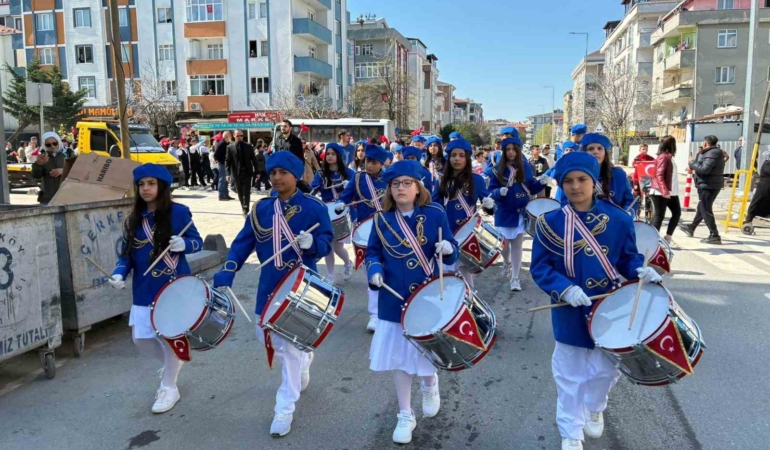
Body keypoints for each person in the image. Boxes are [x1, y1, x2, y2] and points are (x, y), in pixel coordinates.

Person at [530, 151, 661, 450]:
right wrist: (563, 289)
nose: (575, 186)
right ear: (561, 185)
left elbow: (628, 258)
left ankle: (595, 406)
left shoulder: (617, 218)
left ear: (594, 181)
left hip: (609, 307)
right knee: (569, 374)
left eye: (582, 179)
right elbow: (540, 267)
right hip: (569, 310)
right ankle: (571, 432)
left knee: (605, 372)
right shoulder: (549, 222)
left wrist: (640, 270)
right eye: (568, 181)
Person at [212, 152, 333, 438]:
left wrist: (314, 242)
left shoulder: (313, 207)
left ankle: (285, 406)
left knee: (289, 348)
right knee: (266, 337)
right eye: (273, 172)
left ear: (296, 175)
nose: (277, 178)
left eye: (283, 172)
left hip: (301, 286)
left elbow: (328, 241)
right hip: (269, 286)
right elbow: (243, 243)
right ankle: (304, 360)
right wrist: (229, 268)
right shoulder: (261, 209)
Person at [365, 159, 458, 445]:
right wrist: (375, 271)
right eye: (395, 184)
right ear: (389, 190)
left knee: (425, 352)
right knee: (399, 359)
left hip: (426, 296)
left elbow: (452, 249)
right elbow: (372, 253)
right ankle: (405, 413)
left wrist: (448, 248)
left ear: (418, 188)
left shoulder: (434, 214)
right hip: (393, 298)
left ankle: (430, 384)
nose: (401, 188)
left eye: (407, 183)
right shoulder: (381, 220)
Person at [108, 163, 203, 414]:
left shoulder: (179, 213)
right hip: (144, 287)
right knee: (140, 338)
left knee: (171, 336)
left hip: (174, 286)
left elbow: (197, 241)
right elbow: (126, 256)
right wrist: (119, 273)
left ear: (162, 187)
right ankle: (174, 362)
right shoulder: (133, 220)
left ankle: (169, 387)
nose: (145, 189)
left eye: (151, 184)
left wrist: (185, 244)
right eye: (141, 184)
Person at [335, 144, 390, 332]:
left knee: (391, 270)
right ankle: (374, 314)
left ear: (382, 163)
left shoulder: (391, 179)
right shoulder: (358, 178)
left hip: (390, 229)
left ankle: (390, 310)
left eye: (374, 162)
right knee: (372, 272)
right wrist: (341, 204)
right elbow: (346, 196)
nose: (369, 165)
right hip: (366, 233)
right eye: (367, 161)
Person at [484, 137, 547, 291]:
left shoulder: (525, 166)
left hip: (520, 212)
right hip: (504, 212)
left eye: (514, 149)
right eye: (508, 149)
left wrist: (541, 183)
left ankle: (515, 278)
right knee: (504, 245)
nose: (511, 152)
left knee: (517, 245)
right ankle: (506, 262)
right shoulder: (497, 169)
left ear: (518, 151)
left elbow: (531, 187)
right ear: (504, 151)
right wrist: (498, 192)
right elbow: (489, 191)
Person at [432, 138, 488, 287]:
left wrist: (490, 204)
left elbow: (488, 207)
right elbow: (433, 207)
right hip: (446, 234)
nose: (456, 158)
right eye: (453, 155)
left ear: (467, 158)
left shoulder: (477, 180)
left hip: (467, 236)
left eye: (461, 155)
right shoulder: (441, 180)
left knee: (466, 278)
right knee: (445, 277)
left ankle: (468, 306)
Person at [312, 143, 356, 283]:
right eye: (328, 154)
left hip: (342, 212)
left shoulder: (349, 173)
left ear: (338, 155)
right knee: (328, 245)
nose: (329, 156)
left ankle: (348, 263)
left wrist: (349, 185)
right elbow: (313, 190)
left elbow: (357, 188)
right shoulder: (321, 174)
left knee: (338, 246)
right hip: (326, 212)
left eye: (333, 153)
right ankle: (331, 275)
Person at [679, 135, 725, 244]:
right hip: (709, 184)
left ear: (705, 143)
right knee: (702, 207)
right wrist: (694, 165)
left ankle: (714, 235)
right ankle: (691, 227)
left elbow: (704, 169)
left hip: (708, 185)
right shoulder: (711, 153)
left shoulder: (712, 153)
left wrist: (691, 163)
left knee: (705, 209)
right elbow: (704, 166)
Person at [580, 133, 638, 215]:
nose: (595, 151)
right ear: (584, 152)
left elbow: (630, 202)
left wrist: (626, 215)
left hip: (615, 224)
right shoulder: (575, 176)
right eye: (591, 149)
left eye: (600, 148)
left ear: (605, 153)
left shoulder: (619, 175)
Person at [649, 136, 681, 243]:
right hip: (660, 191)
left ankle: (667, 237)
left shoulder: (669, 157)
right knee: (659, 216)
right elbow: (659, 175)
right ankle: (652, 240)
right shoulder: (663, 157)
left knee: (676, 213)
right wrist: (664, 191)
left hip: (671, 192)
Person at [226, 130, 259, 215]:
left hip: (247, 172)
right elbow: (227, 161)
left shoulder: (248, 146)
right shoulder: (230, 147)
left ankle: (246, 208)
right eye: (238, 136)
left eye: (241, 135)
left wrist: (257, 171)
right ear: (234, 136)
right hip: (236, 174)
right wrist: (228, 174)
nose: (240, 137)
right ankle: (243, 205)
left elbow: (254, 159)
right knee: (240, 192)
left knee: (246, 191)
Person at [30, 132, 66, 205]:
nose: (52, 146)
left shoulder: (68, 154)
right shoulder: (42, 157)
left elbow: (78, 172)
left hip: (67, 196)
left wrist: (64, 171)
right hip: (48, 197)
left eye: (55, 143)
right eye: (48, 145)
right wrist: (37, 164)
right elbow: (36, 175)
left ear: (59, 141)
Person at [214, 132, 235, 201]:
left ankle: (226, 194)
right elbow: (216, 154)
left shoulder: (227, 143)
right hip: (222, 164)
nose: (231, 137)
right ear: (226, 136)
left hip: (226, 164)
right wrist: (218, 160)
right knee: (222, 179)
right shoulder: (221, 144)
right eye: (230, 136)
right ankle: (221, 195)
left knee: (226, 180)